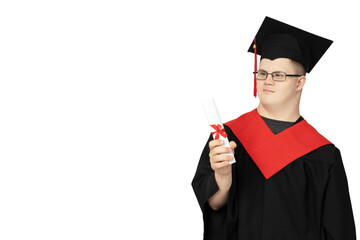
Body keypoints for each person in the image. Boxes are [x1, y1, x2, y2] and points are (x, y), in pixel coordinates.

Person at [191, 16, 356, 240]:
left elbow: (338, 229)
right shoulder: (228, 137)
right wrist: (222, 179)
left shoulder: (324, 154)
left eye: (279, 75)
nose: (267, 81)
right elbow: (213, 207)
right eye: (263, 73)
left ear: (300, 82)